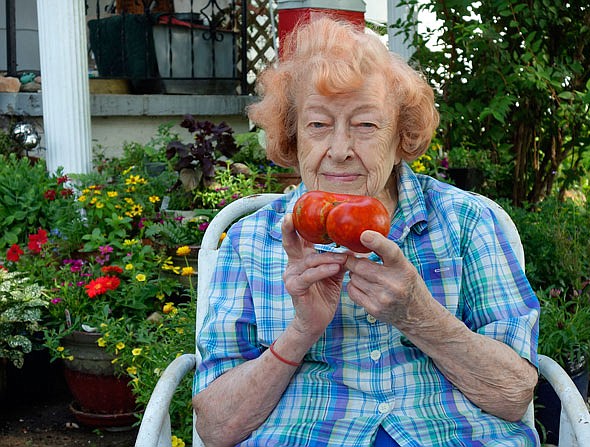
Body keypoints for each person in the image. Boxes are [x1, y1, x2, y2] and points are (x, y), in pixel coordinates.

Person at [193, 17, 540, 447]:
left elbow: (513, 394)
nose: (339, 151)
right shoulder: (250, 242)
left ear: (400, 140)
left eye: (366, 125)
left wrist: (420, 316)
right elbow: (215, 428)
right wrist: (301, 331)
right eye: (318, 125)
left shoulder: (467, 223)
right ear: (293, 137)